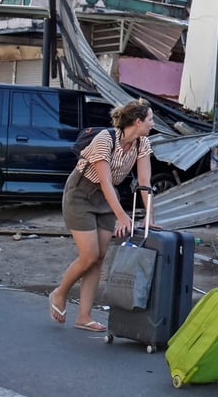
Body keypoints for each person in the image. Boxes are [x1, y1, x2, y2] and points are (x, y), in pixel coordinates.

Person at [49, 99, 155, 332]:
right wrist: (122, 216)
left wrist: (150, 217)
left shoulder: (142, 143)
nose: (152, 124)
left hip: (106, 198)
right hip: (81, 193)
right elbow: (105, 180)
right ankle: (60, 292)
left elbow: (145, 183)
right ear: (138, 121)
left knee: (100, 257)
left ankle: (84, 316)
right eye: (150, 119)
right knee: (89, 255)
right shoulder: (105, 139)